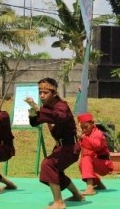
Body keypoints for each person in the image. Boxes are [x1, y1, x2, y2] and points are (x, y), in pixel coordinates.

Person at [24, 77, 84, 209]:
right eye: (40, 92)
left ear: (54, 93)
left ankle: (58, 202)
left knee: (48, 164)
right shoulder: (46, 106)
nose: (42, 95)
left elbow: (59, 117)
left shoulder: (61, 106)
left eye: (45, 92)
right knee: (56, 172)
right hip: (60, 147)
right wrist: (33, 112)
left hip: (70, 147)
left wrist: (39, 109)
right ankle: (77, 195)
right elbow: (35, 123)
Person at [76, 112, 113, 195]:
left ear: (92, 123)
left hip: (104, 165)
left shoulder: (98, 134)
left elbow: (96, 145)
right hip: (96, 162)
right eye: (82, 128)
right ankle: (99, 184)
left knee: (85, 158)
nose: (84, 130)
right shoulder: (85, 135)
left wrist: (82, 138)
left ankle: (90, 188)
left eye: (86, 127)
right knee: (81, 162)